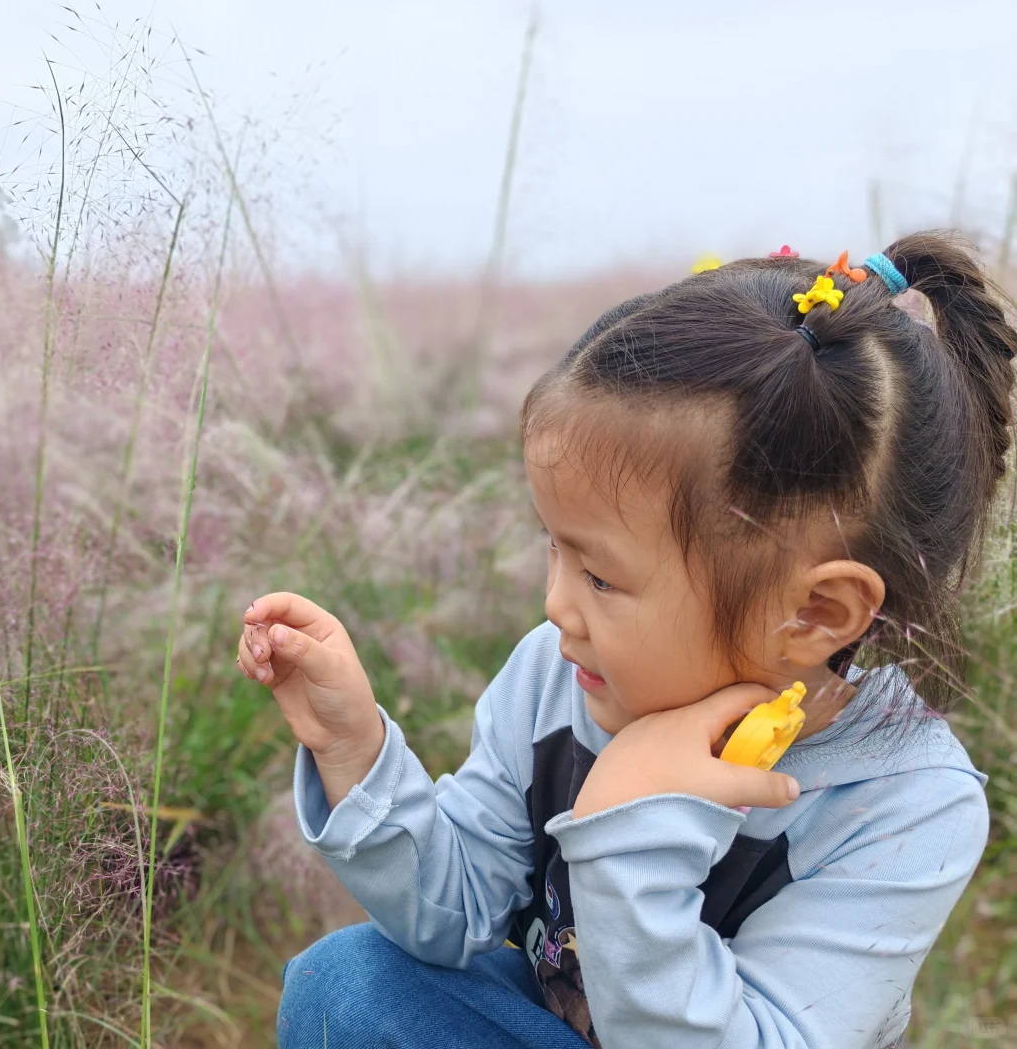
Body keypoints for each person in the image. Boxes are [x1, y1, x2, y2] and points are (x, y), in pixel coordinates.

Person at [236, 233, 1009, 1048]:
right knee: (348, 987)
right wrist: (354, 753)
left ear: (817, 613)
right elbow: (454, 911)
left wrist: (629, 827)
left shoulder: (904, 804)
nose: (556, 607)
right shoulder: (557, 676)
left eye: (601, 578)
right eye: (553, 546)